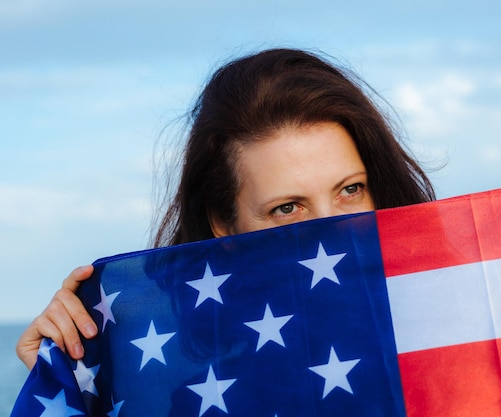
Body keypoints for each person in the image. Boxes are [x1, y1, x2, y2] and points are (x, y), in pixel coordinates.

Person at [16, 47, 436, 370]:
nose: (335, 231)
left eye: (351, 189)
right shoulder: (204, 402)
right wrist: (71, 383)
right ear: (224, 226)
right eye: (288, 208)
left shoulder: (472, 343)